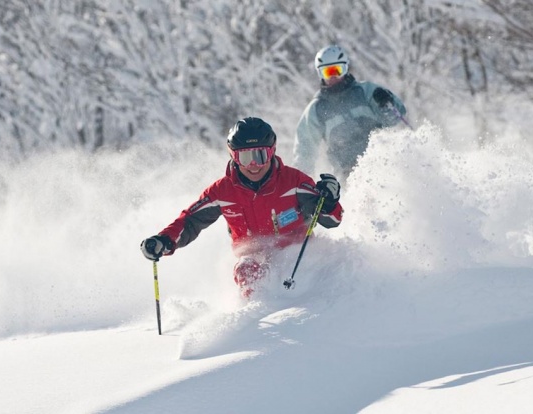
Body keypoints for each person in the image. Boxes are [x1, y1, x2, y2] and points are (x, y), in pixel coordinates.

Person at [140, 117, 344, 298]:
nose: (254, 165)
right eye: (245, 158)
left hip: (297, 255)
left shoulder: (294, 182)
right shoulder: (223, 191)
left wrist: (330, 201)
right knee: (247, 270)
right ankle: (258, 318)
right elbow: (191, 221)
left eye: (261, 156)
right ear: (233, 157)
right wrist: (164, 240)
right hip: (253, 257)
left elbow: (332, 220)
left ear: (272, 152)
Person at [295, 44, 408, 179]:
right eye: (327, 72)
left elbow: (396, 116)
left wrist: (387, 103)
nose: (333, 76)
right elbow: (305, 148)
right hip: (347, 174)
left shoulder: (366, 91)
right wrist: (302, 179)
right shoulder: (316, 109)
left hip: (381, 161)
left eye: (337, 70)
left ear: (346, 68)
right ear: (320, 74)